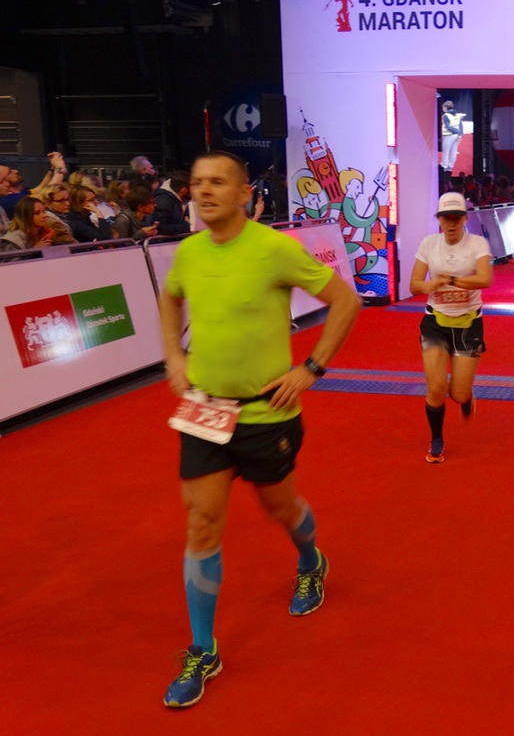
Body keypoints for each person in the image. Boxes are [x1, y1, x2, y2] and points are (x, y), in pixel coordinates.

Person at [158, 150, 360, 708]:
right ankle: (203, 648)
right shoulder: (189, 251)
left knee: (281, 508)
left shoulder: (274, 248)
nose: (204, 191)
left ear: (245, 193)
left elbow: (345, 300)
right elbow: (170, 297)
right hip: (204, 411)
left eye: (218, 182)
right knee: (201, 523)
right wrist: (173, 354)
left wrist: (311, 368)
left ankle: (310, 560)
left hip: (267, 413)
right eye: (198, 182)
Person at [409, 192, 492, 464]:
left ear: (465, 219)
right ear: (440, 220)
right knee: (435, 388)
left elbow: (485, 279)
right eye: (446, 218)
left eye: (457, 217)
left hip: (468, 324)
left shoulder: (477, 243)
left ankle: (466, 396)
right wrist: (429, 285)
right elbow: (414, 285)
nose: (452, 223)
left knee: (457, 393)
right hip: (435, 321)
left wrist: (452, 281)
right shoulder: (429, 244)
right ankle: (437, 439)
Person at [153, 170, 192, 236]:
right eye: (192, 186)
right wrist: (188, 225)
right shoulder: (163, 201)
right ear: (184, 190)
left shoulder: (180, 200)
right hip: (164, 242)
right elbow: (162, 228)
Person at [440, 100, 465, 173]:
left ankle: (445, 166)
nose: (442, 108)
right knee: (453, 151)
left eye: (443, 107)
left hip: (449, 135)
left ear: (446, 107)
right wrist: (460, 134)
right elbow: (461, 125)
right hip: (456, 135)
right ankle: (450, 166)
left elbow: (448, 127)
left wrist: (455, 131)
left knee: (446, 152)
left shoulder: (446, 116)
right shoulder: (457, 115)